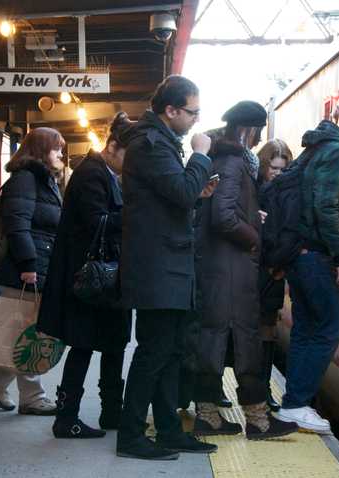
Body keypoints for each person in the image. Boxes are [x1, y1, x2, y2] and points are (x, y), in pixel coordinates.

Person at [116, 75, 219, 460]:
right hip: (158, 266)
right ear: (171, 110)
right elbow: (179, 191)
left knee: (172, 350)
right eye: (193, 111)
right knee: (154, 351)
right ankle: (130, 436)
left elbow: (177, 197)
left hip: (168, 263)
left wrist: (196, 189)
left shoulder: (156, 142)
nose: (196, 119)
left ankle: (169, 430)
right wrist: (200, 156)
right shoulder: (151, 144)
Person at [193, 101, 298, 440]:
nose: (256, 141)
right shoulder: (234, 160)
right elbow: (223, 216)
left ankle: (208, 415)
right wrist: (253, 235)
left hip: (221, 265)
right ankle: (258, 419)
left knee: (214, 337)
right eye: (257, 132)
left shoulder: (223, 158)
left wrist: (250, 218)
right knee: (246, 339)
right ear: (250, 129)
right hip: (231, 266)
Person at [276, 112, 339, 433]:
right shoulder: (336, 150)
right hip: (318, 257)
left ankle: (293, 402)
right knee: (328, 330)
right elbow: (326, 206)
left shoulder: (315, 146)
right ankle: (296, 404)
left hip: (298, 254)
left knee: (306, 329)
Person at [37, 112, 135, 439]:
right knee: (83, 345)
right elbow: (98, 222)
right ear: (113, 147)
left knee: (113, 342)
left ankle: (111, 411)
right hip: (88, 279)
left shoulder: (104, 173)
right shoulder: (92, 173)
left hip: (103, 279)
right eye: (129, 157)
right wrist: (137, 212)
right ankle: (66, 418)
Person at [0, 127, 65, 416]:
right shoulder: (27, 179)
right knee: (30, 334)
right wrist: (28, 266)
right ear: (41, 150)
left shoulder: (42, 180)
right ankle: (32, 398)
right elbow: (18, 224)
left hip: (38, 264)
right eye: (56, 148)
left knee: (22, 330)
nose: (61, 154)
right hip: (27, 269)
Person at [256, 139, 293, 412]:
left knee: (267, 331)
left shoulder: (285, 194)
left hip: (274, 271)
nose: (276, 173)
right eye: (273, 167)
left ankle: (264, 388)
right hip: (253, 269)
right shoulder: (251, 190)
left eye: (282, 169)